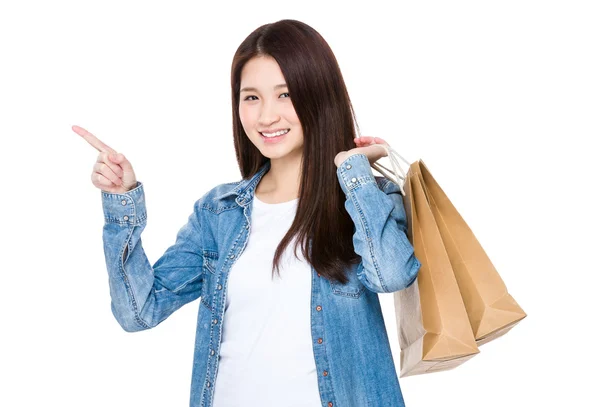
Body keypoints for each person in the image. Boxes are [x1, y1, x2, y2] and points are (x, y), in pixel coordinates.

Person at [74, 18, 420, 407]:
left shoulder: (363, 201)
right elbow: (139, 312)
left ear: (319, 96)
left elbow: (392, 275)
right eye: (251, 97)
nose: (266, 116)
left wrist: (354, 172)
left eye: (285, 95)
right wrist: (123, 203)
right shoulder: (219, 213)